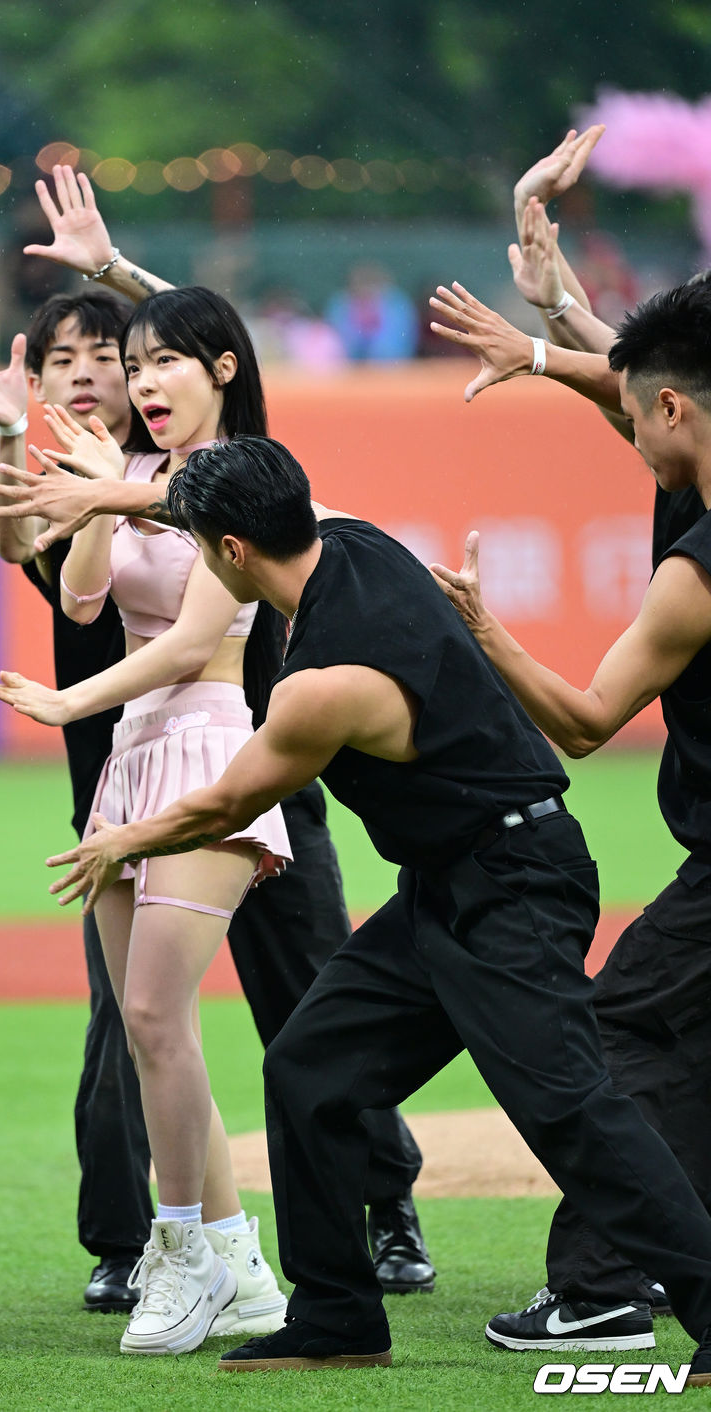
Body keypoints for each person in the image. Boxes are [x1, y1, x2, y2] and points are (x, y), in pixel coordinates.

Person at [44, 436, 711, 1386]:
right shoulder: (353, 539)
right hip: (444, 884)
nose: (192, 559)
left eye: (197, 546)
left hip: (515, 880)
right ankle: (335, 1316)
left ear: (232, 552)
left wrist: (120, 841)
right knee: (311, 1068)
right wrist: (122, 494)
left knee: (569, 1106)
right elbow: (221, 520)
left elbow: (226, 806)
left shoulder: (324, 685)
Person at [0, 166, 434, 1307]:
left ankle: (377, 1204)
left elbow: (224, 362)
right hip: (122, 776)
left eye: (117, 355)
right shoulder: (92, 471)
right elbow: (60, 577)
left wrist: (118, 274)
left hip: (262, 763)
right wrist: (38, 442)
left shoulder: (231, 474)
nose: (103, 373)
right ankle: (147, 1239)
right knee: (135, 1021)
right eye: (70, 357)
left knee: (308, 995)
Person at [424, 193, 711, 1355]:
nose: (630, 442)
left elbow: (589, 721)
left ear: (676, 410)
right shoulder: (689, 454)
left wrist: (482, 628)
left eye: (640, 423)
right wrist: (559, 323)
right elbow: (649, 386)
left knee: (625, 1027)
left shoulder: (694, 575)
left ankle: (602, 1281)